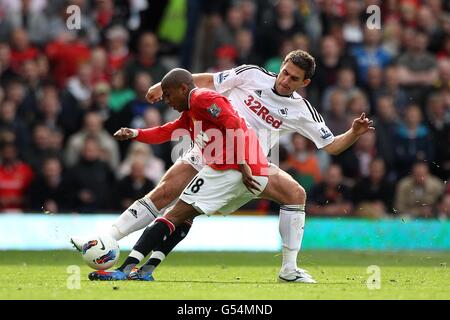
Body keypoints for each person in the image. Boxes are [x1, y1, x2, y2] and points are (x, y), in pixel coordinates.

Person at [72, 50, 374, 283]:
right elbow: (207, 81)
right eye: (284, 72)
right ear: (280, 66)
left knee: (296, 195)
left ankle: (289, 269)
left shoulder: (301, 111)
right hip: (208, 148)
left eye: (294, 79)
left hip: (249, 161)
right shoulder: (252, 74)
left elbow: (331, 145)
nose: (285, 80)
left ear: (304, 83)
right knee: (165, 193)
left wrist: (354, 133)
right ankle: (110, 240)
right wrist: (162, 86)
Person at [89, 68, 270, 280]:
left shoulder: (203, 97)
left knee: (173, 214)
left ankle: (124, 270)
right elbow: (167, 131)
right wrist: (135, 133)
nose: (166, 100)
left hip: (235, 167)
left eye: (168, 94)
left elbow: (234, 123)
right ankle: (146, 271)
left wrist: (242, 163)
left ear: (184, 88)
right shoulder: (191, 111)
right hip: (246, 169)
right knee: (184, 216)